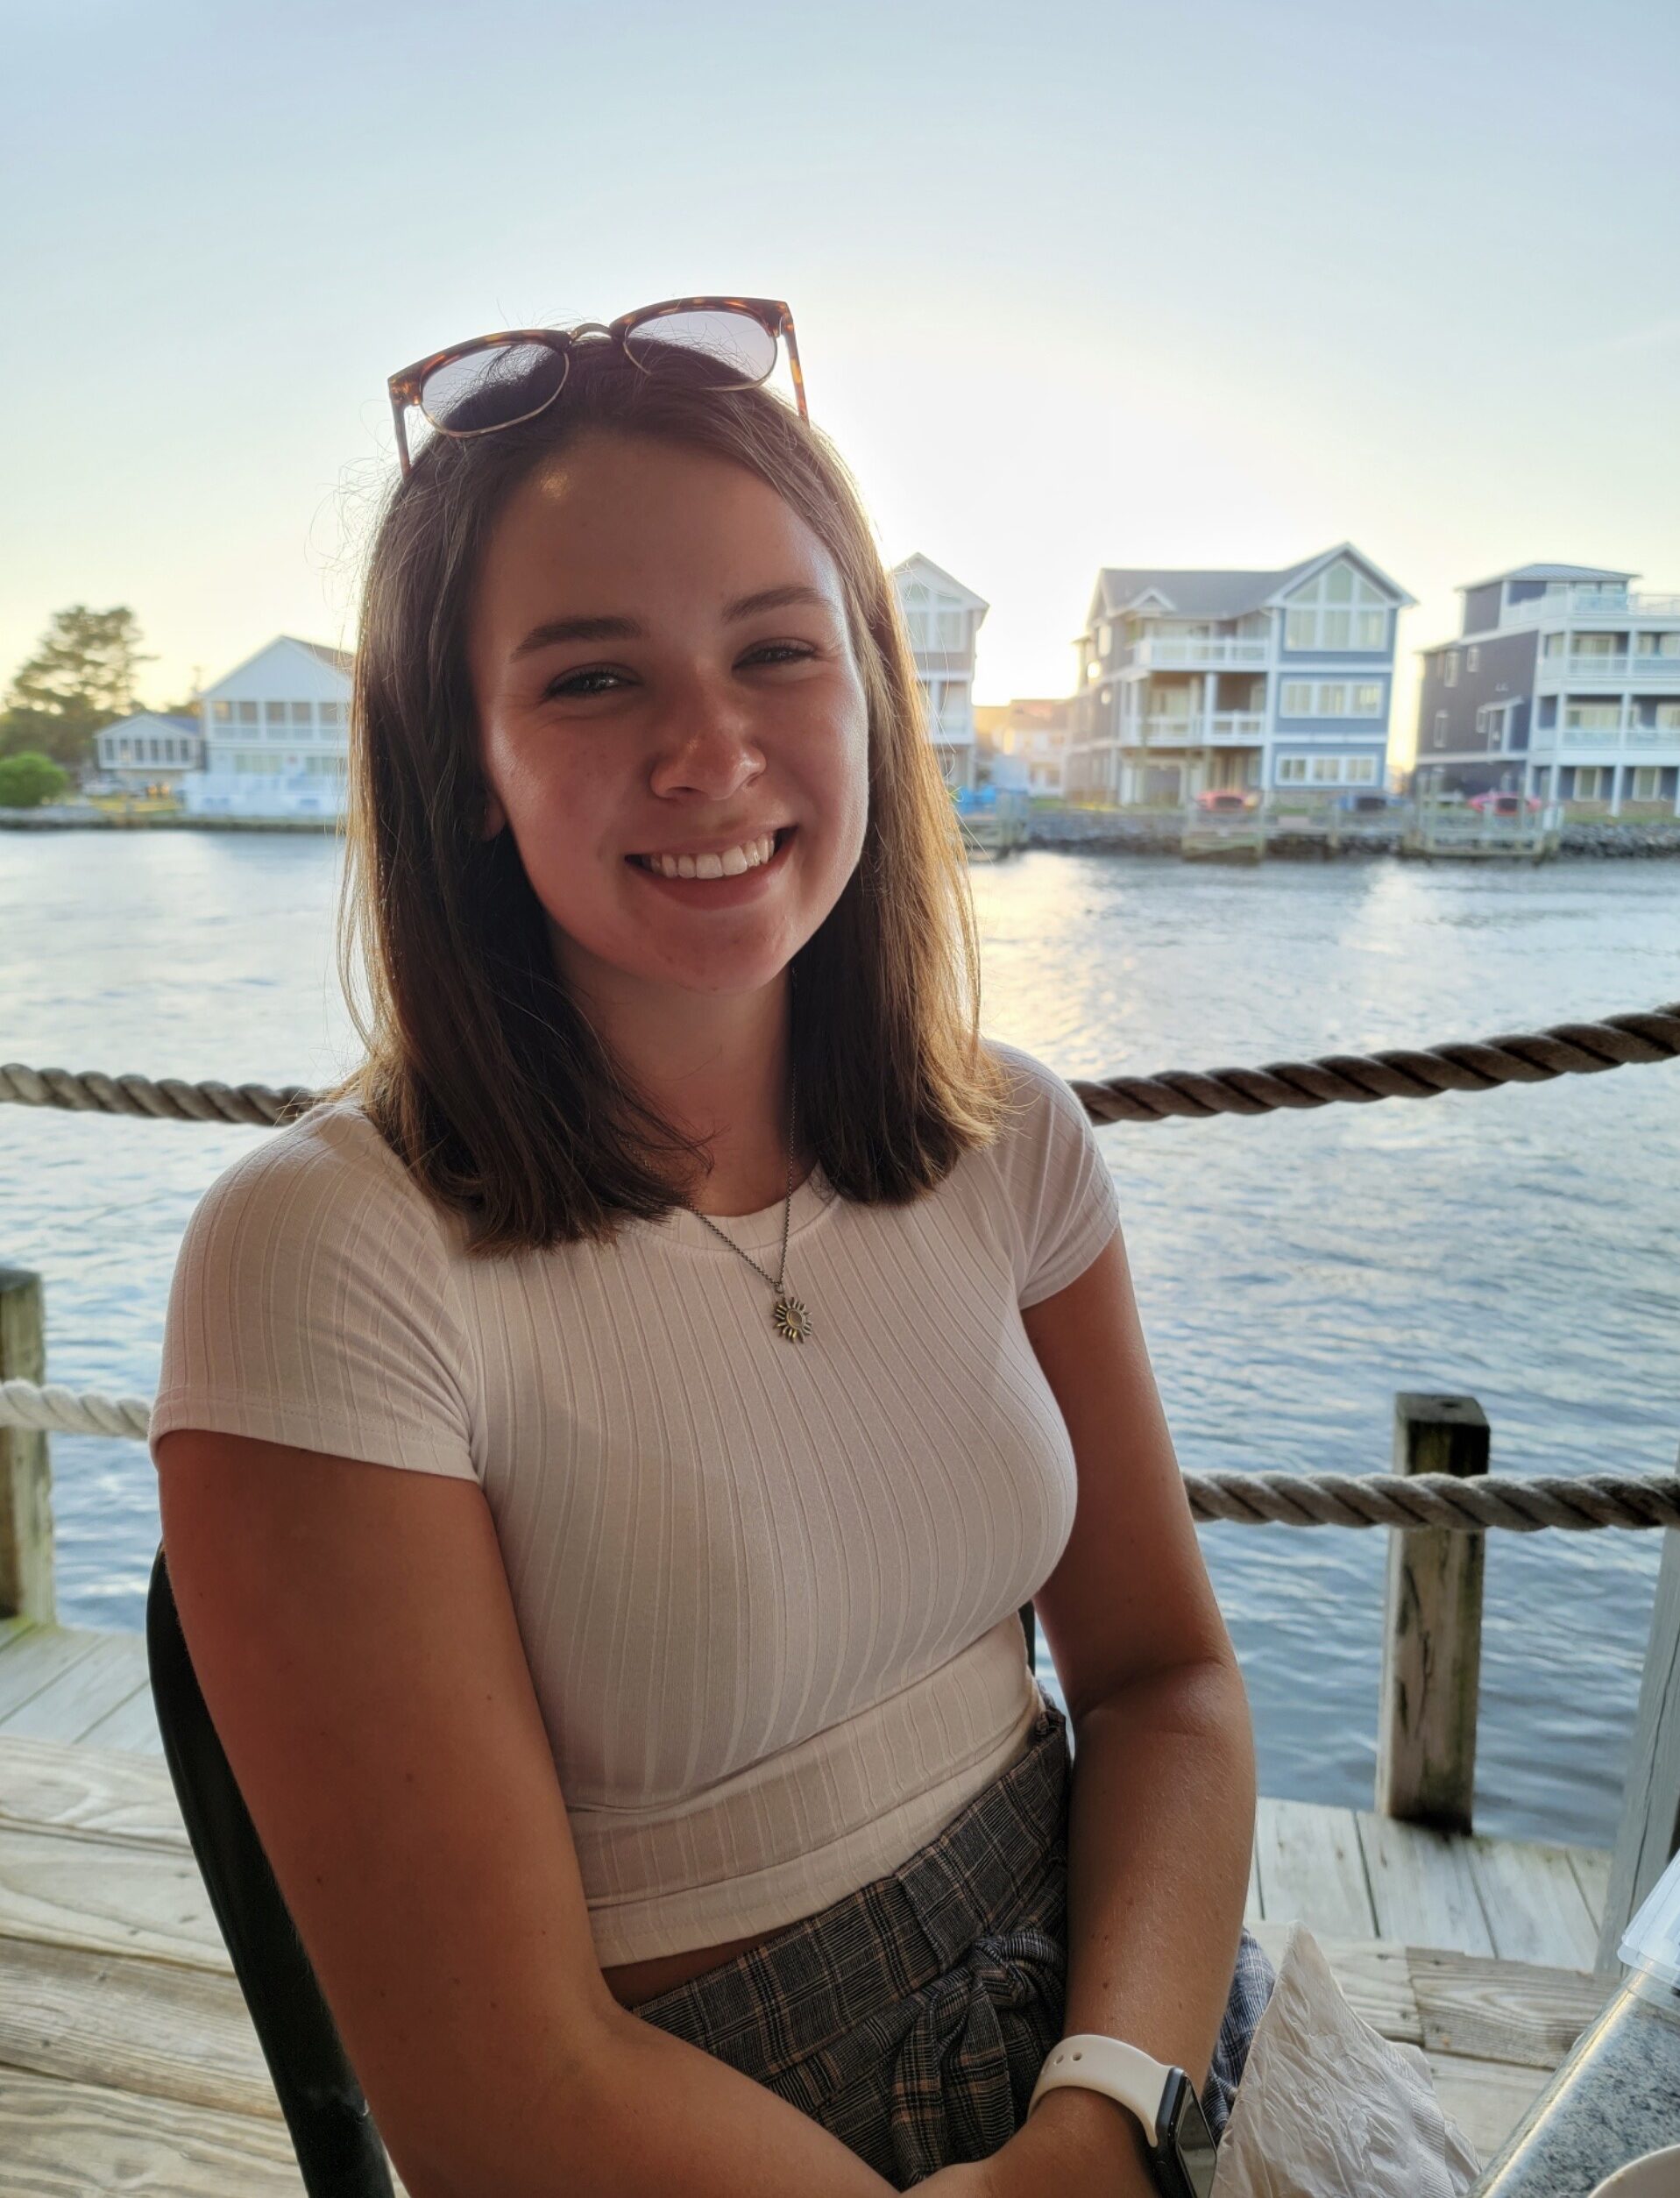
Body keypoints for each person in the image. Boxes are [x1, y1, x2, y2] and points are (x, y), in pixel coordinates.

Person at [150, 300, 1272, 2198]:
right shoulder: (327, 1258)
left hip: (1128, 2028)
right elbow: (503, 2100)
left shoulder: (1011, 1143)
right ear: (462, 761)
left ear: (870, 694)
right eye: (592, 680)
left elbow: (1163, 1682)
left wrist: (1100, 2116)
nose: (710, 749)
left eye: (777, 651)